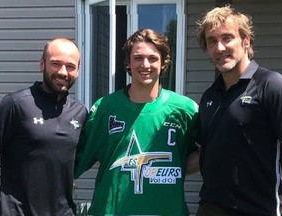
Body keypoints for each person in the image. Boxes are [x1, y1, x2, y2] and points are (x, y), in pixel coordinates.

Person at [74, 28, 199, 216]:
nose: (145, 65)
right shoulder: (105, 108)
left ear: (164, 62)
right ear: (128, 62)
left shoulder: (185, 109)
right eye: (138, 58)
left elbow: (208, 152)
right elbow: (71, 160)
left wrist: (170, 168)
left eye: (153, 58)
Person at [195, 5, 282, 216]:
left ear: (245, 40)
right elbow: (204, 153)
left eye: (227, 38)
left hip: (256, 209)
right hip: (209, 208)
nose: (219, 48)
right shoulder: (209, 96)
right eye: (212, 41)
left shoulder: (272, 86)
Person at [0, 37, 88, 216]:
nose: (63, 72)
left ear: (78, 71)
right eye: (55, 64)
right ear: (42, 64)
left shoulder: (80, 112)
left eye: (70, 66)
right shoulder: (16, 104)